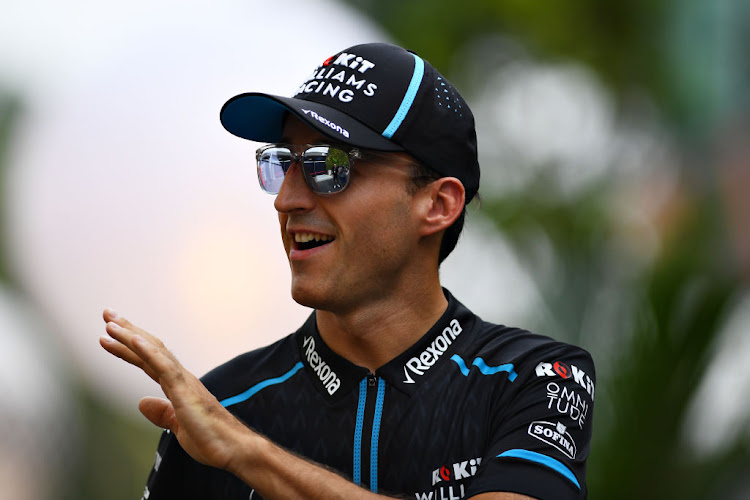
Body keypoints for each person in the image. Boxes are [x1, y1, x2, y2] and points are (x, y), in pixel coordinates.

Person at [100, 42, 595, 500]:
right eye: (283, 163)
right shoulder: (223, 403)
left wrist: (251, 456)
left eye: (329, 165)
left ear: (438, 203)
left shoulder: (534, 378)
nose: (287, 199)